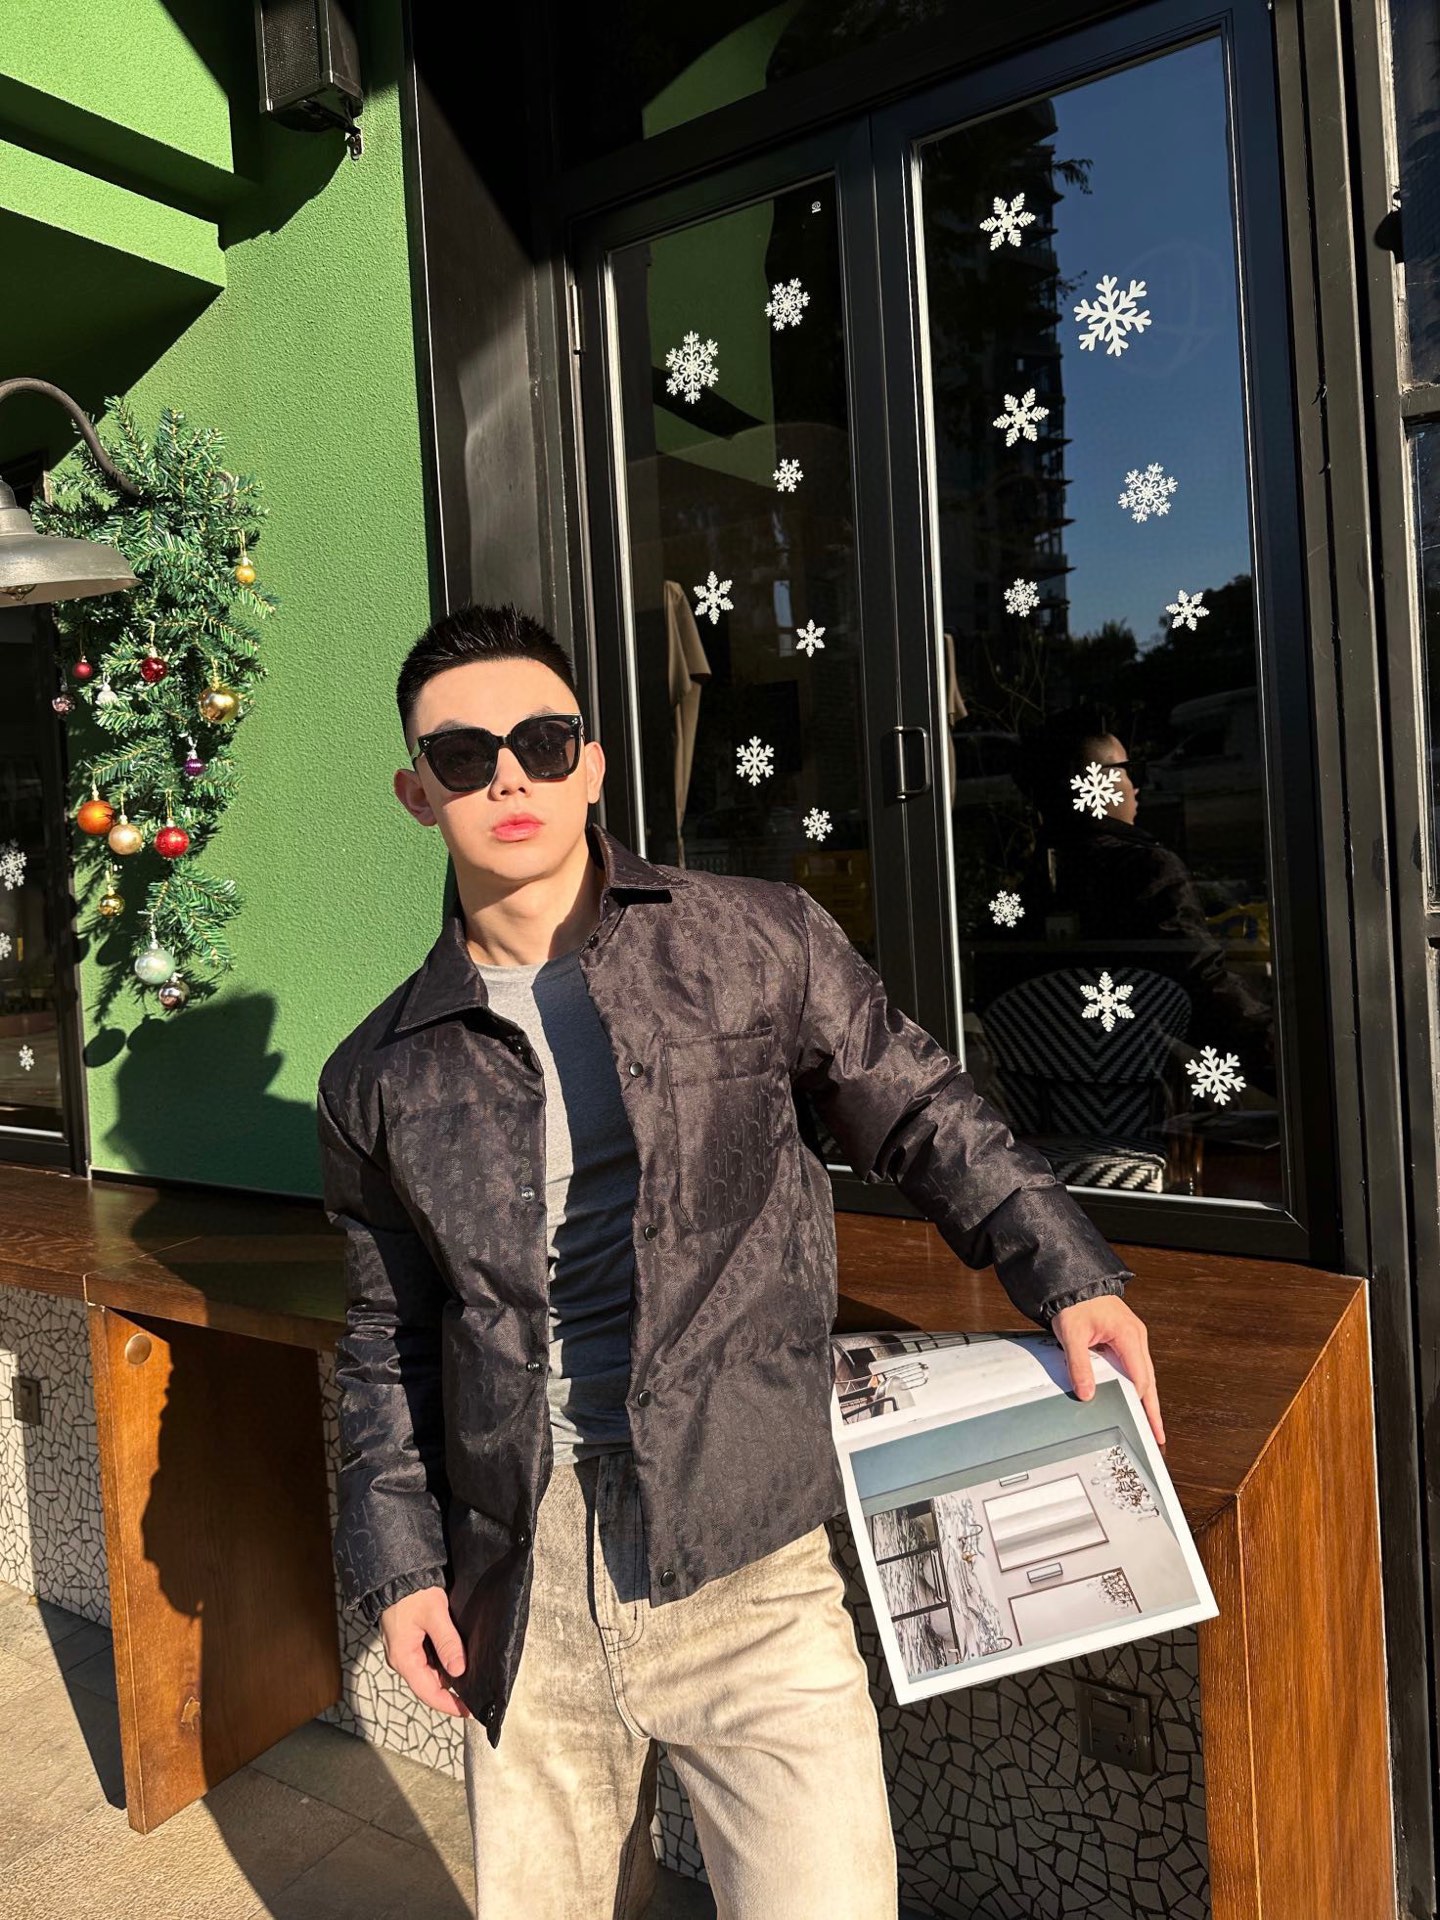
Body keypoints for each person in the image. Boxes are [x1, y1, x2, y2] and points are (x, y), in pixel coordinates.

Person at [315, 604, 1164, 1920]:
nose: (510, 779)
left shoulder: (753, 938)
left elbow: (920, 1107)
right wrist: (401, 1566)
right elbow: (386, 1341)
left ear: (595, 763)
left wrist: (1070, 1273)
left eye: (543, 742)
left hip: (747, 1551)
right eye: (466, 755)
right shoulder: (379, 1071)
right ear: (417, 791)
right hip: (521, 1571)